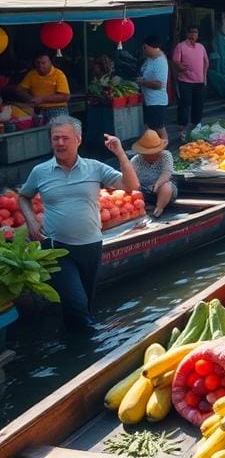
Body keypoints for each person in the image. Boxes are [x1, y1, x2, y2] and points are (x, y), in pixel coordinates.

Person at [17, 116, 138, 331]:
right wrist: (32, 223)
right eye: (55, 138)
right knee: (76, 301)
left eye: (65, 138)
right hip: (56, 248)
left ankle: (75, 342)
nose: (60, 143)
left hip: (90, 245)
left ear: (78, 140)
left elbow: (131, 185)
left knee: (83, 303)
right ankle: (93, 339)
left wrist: (120, 152)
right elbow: (23, 197)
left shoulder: (95, 168)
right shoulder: (40, 171)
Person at [172, 26, 209, 142]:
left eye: (196, 33)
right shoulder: (181, 46)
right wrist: (180, 67)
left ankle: (195, 128)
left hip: (200, 81)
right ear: (187, 34)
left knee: (198, 105)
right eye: (191, 32)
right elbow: (175, 61)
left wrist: (205, 77)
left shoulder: (201, 47)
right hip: (185, 81)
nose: (193, 35)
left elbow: (206, 62)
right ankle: (182, 130)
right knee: (184, 105)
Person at [130, 129, 177, 218]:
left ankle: (159, 208)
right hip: (143, 190)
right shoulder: (135, 160)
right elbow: (130, 177)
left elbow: (166, 174)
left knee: (165, 186)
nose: (151, 155)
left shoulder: (166, 156)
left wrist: (157, 184)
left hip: (163, 189)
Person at [15, 52, 70, 120]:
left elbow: (65, 96)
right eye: (38, 63)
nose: (40, 65)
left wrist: (42, 99)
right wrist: (30, 99)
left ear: (50, 62)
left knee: (56, 127)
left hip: (57, 109)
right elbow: (20, 89)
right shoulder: (31, 74)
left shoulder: (59, 74)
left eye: (43, 63)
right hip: (37, 110)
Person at [138, 36, 170, 142]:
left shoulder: (160, 61)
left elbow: (158, 84)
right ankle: (153, 152)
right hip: (149, 101)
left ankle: (165, 153)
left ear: (146, 47)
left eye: (144, 48)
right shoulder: (150, 59)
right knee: (151, 128)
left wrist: (142, 82)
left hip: (157, 102)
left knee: (159, 129)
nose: (143, 51)